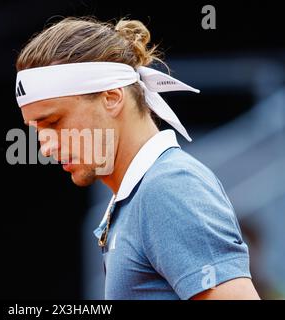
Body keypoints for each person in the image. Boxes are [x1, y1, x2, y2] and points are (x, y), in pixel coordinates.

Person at [14, 16, 260, 300]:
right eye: (37, 130)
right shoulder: (143, 193)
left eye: (54, 122)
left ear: (112, 98)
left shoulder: (168, 187)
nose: (45, 148)